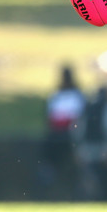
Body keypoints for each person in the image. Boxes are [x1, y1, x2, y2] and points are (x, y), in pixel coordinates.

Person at [37, 65, 86, 199]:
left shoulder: (72, 95)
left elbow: (79, 118)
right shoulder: (59, 95)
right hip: (57, 135)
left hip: (71, 136)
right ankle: (48, 172)